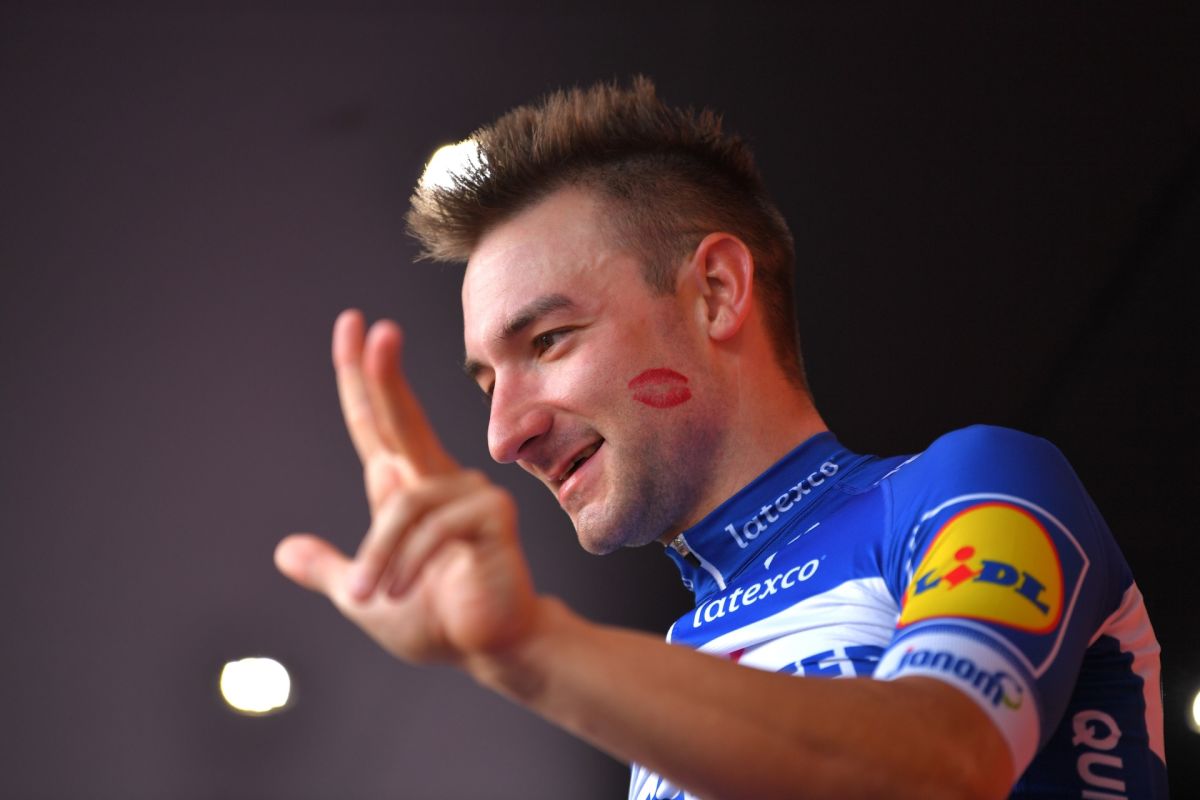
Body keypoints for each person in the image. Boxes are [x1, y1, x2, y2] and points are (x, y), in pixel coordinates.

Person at [274, 78, 1167, 799]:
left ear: (716, 293)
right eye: (486, 385)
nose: (505, 435)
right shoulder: (671, 676)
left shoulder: (970, 484)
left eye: (547, 342)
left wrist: (532, 647)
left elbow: (944, 766)